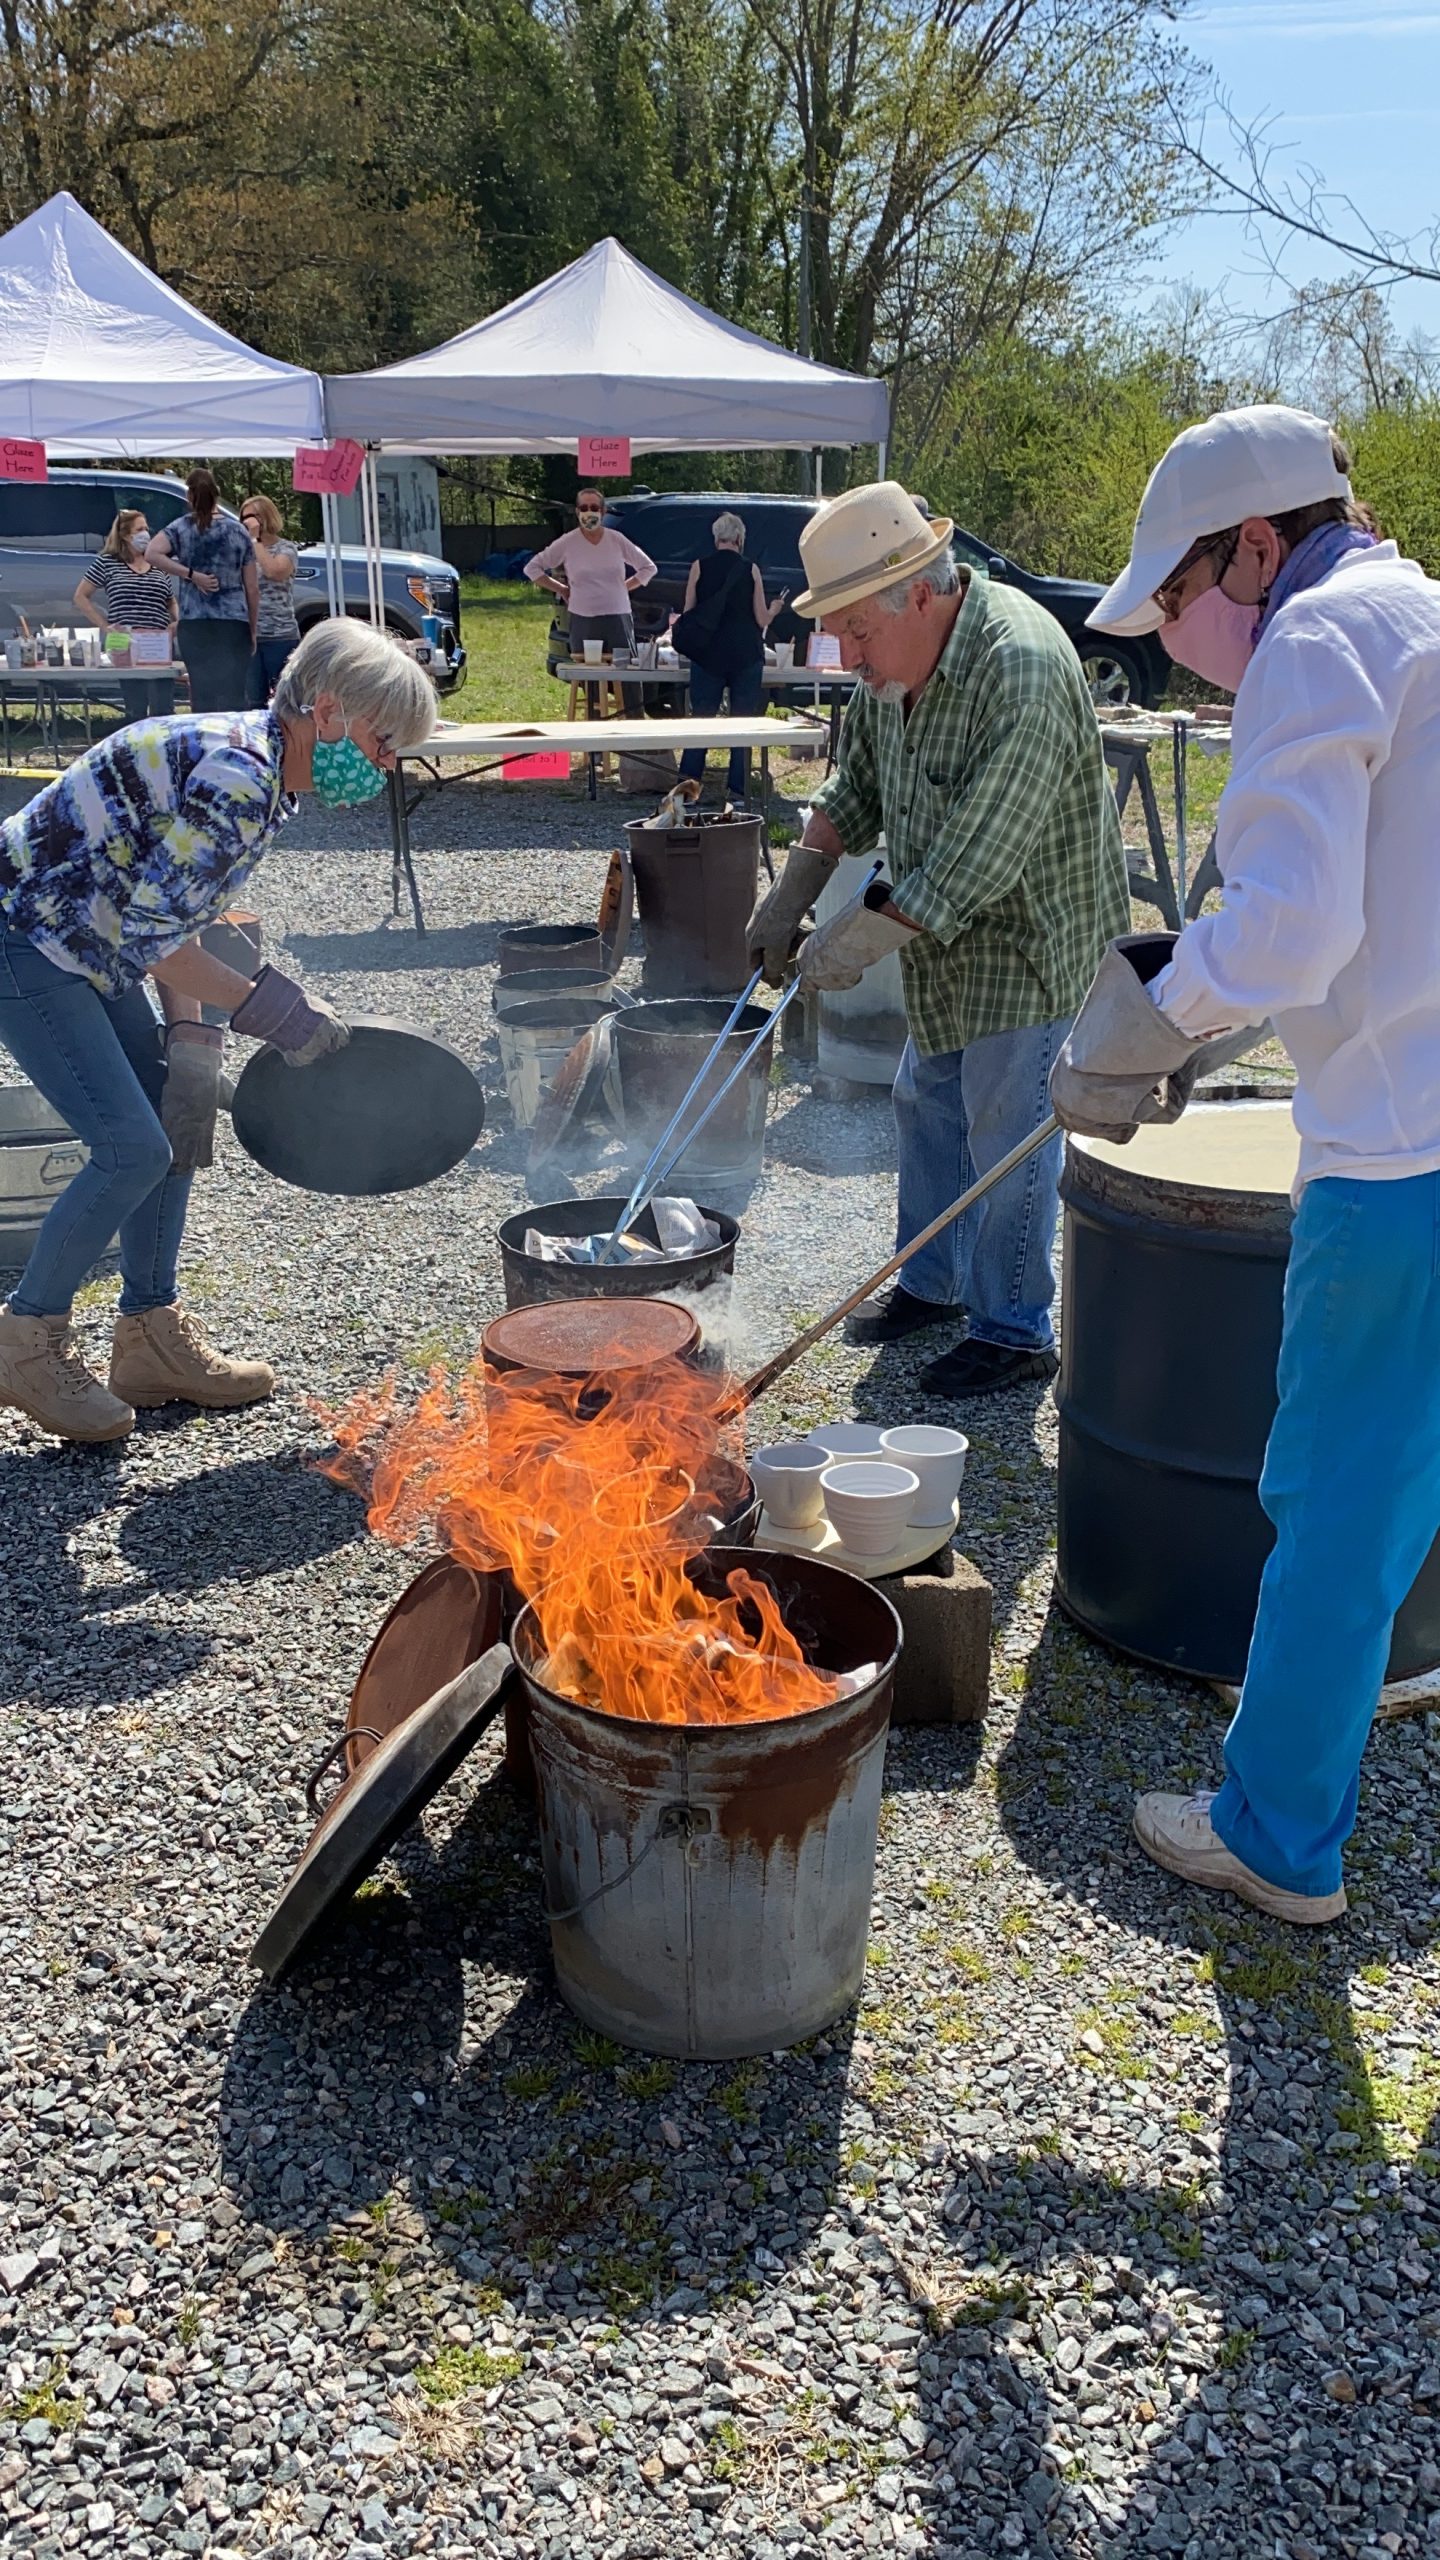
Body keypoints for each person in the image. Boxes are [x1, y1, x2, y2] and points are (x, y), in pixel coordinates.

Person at [1051, 402, 1440, 1927]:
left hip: (1402, 1154)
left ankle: (1279, 1837)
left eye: (1177, 599)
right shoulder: (1420, 612)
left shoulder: (1314, 639)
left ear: (1256, 546)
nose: (1172, 637)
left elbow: (1291, 928)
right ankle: (1340, 1706)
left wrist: (1148, 1021)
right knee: (1395, 1479)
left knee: (1330, 1492)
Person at [0, 619, 436, 1446]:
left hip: (93, 942)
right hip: (26, 938)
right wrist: (276, 1011)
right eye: (384, 743)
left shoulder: (266, 772)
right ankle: (24, 1340)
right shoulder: (241, 776)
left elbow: (173, 915)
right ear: (332, 711)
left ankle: (149, 1339)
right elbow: (159, 937)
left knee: (172, 1114)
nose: (385, 766)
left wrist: (190, 1048)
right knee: (130, 1149)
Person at [747, 481, 1129, 1399]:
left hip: (1033, 949)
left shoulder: (1021, 663)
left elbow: (978, 858)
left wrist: (849, 947)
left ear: (919, 591)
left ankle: (1013, 1328)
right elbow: (856, 792)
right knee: (927, 1104)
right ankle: (933, 1282)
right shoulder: (893, 673)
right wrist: (793, 884)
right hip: (945, 949)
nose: (848, 658)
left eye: (857, 635)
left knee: (1008, 1136)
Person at [676, 512, 788, 802]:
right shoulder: (750, 569)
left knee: (700, 722)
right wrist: (775, 609)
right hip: (745, 655)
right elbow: (761, 619)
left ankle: (687, 790)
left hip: (707, 655)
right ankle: (737, 790)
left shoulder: (698, 567)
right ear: (740, 539)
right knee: (742, 722)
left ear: (716, 539)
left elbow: (689, 611)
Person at [524, 490, 655, 709]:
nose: (589, 513)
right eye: (584, 508)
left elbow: (648, 568)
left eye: (594, 508)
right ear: (577, 512)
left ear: (603, 512)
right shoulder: (568, 542)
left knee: (627, 672)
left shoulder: (616, 540)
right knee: (590, 675)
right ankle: (593, 729)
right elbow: (532, 569)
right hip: (583, 617)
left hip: (617, 616)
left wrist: (623, 588)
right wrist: (562, 590)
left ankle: (634, 725)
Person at [147, 468, 258, 713]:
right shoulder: (238, 531)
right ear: (217, 495)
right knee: (234, 695)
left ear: (190, 497)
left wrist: (190, 574)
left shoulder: (180, 528)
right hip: (232, 621)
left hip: (195, 622)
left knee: (202, 695)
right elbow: (251, 587)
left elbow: (151, 553)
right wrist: (252, 628)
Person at [73, 508, 177, 721]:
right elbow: (81, 596)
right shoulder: (107, 562)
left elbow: (170, 599)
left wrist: (177, 621)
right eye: (140, 529)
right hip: (124, 642)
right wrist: (105, 626)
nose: (146, 534)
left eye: (147, 529)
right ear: (125, 535)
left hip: (157, 644)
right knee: (135, 709)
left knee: (163, 709)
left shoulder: (158, 562)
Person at [239, 493, 301, 705]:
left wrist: (256, 540)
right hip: (249, 635)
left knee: (284, 699)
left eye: (254, 516)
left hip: (280, 633)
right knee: (253, 699)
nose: (249, 521)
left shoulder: (286, 548)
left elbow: (275, 571)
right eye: (245, 517)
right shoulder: (241, 549)